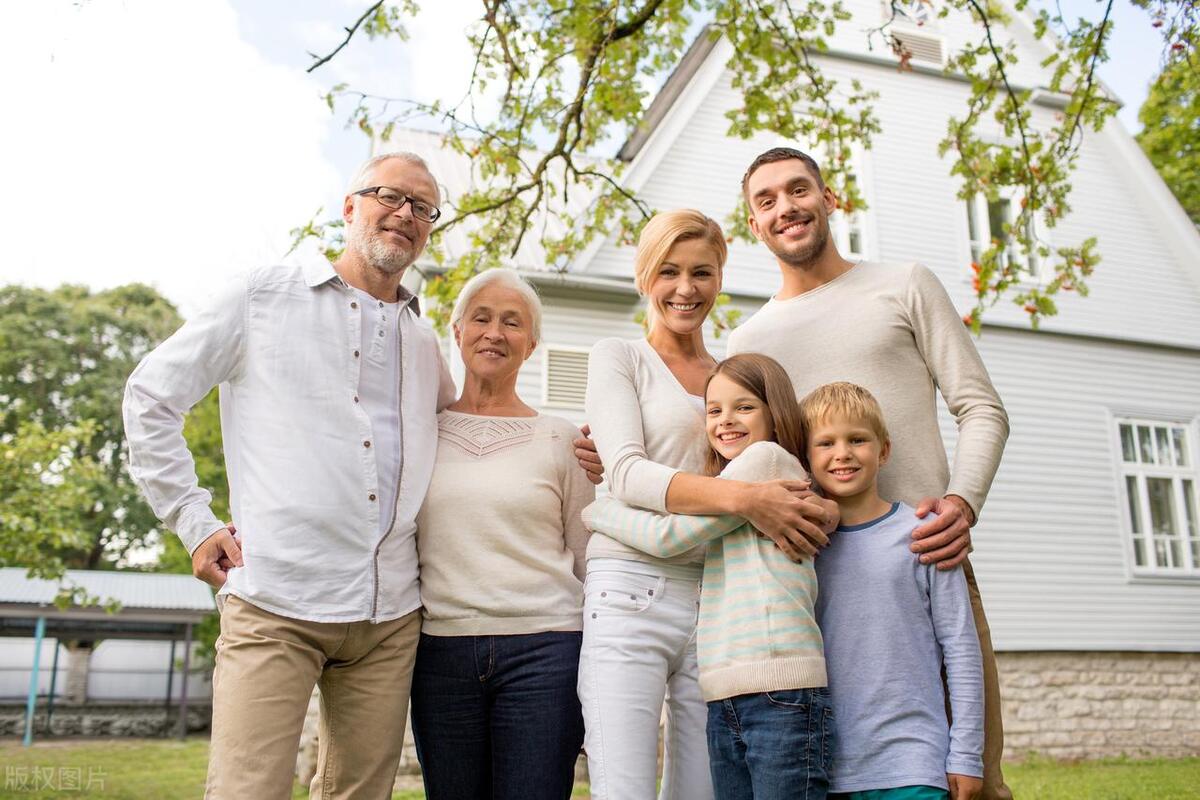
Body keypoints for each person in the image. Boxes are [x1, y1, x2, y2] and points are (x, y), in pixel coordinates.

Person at [727, 147, 1011, 799]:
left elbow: (981, 407)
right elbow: (731, 450)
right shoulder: (751, 341)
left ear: (831, 199)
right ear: (753, 225)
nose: (786, 207)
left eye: (799, 190)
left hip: (927, 563)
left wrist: (961, 504)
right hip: (814, 591)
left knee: (973, 778)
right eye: (765, 200)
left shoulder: (904, 283)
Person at [581, 210, 837, 800]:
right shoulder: (620, 356)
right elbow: (624, 472)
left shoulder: (730, 376)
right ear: (645, 277)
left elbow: (785, 461)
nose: (686, 288)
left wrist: (822, 508)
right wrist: (749, 500)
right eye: (668, 271)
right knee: (625, 788)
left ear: (720, 276)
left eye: (702, 272)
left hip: (718, 600)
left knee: (702, 790)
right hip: (630, 589)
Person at [409, 268, 593, 800]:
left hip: (546, 652)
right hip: (440, 654)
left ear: (531, 344)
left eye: (512, 323)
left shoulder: (561, 439)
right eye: (482, 318)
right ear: (457, 329)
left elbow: (587, 560)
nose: (495, 332)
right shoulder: (421, 429)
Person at [803, 382, 983, 800]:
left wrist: (967, 756)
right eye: (825, 442)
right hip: (825, 765)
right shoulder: (802, 547)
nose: (842, 453)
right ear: (806, 458)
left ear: (883, 451)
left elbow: (960, 648)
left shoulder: (923, 536)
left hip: (913, 763)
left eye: (857, 439)